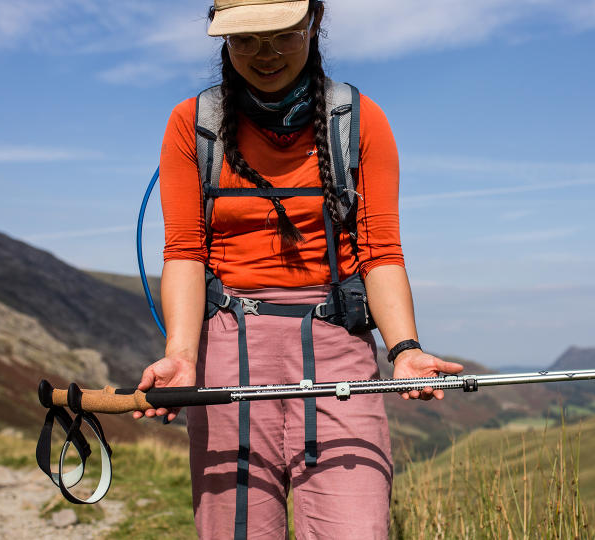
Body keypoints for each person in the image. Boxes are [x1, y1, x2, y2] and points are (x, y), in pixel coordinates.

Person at [134, 0, 464, 537]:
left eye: (283, 34)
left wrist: (403, 349)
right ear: (224, 41)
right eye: (246, 40)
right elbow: (185, 252)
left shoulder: (359, 120)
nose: (266, 55)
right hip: (226, 352)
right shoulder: (191, 126)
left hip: (338, 349)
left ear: (315, 21)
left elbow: (380, 251)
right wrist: (181, 356)